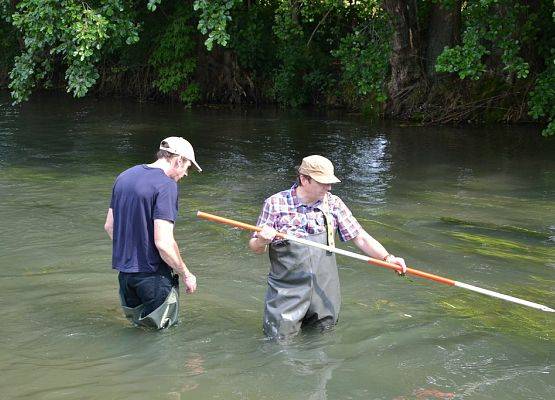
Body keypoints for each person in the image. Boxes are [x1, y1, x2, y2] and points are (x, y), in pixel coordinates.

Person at [249, 155, 407, 339]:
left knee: (322, 343)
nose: (329, 187)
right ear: (304, 179)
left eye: (330, 182)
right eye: (323, 183)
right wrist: (262, 240)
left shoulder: (333, 204)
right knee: (278, 344)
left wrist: (388, 258)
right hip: (286, 293)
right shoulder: (275, 204)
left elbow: (361, 237)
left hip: (324, 293)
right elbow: (255, 247)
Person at [104, 137, 201, 329]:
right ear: (178, 160)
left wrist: (133, 252)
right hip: (153, 277)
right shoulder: (166, 185)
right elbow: (164, 243)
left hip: (125, 276)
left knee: (138, 331)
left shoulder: (124, 176)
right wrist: (186, 273)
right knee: (163, 338)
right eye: (187, 167)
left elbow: (109, 226)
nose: (186, 174)